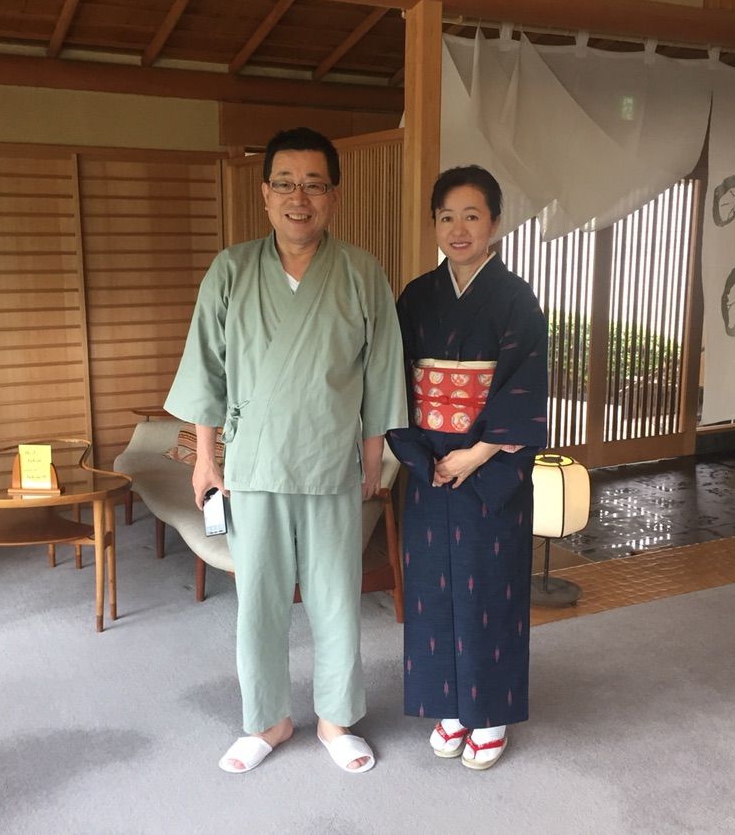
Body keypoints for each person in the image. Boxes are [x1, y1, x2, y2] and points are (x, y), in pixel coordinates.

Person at [165, 127, 406, 775]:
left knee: (336, 599)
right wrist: (206, 459)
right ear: (265, 193)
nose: (300, 198)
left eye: (314, 185)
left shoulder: (360, 272)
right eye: (286, 184)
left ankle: (336, 719)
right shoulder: (231, 270)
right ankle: (266, 721)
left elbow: (381, 370)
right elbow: (207, 372)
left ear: (334, 195)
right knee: (260, 603)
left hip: (331, 463)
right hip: (253, 466)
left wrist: (373, 456)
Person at [386, 165, 549, 770]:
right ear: (434, 223)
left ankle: (491, 714)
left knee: (489, 586)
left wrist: (477, 453)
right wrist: (422, 455)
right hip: (431, 462)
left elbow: (526, 382)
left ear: (495, 223)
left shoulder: (515, 298)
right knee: (433, 588)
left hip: (489, 464)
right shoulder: (416, 296)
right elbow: (392, 377)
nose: (458, 229)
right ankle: (450, 706)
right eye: (447, 217)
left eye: (472, 216)